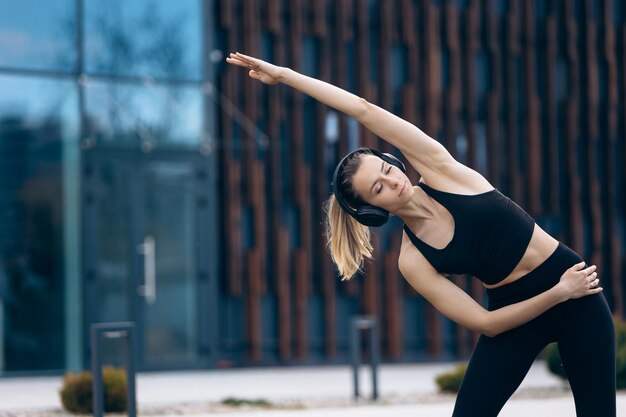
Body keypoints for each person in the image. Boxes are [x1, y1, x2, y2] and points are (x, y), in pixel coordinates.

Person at [226, 52, 616, 416]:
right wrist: (556, 293)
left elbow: (363, 109)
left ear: (393, 160)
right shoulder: (413, 260)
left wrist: (285, 75)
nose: (392, 182)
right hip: (523, 308)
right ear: (371, 211)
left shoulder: (441, 169)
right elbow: (486, 323)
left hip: (577, 295)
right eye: (378, 189)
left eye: (386, 170)